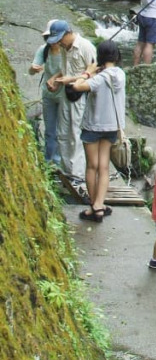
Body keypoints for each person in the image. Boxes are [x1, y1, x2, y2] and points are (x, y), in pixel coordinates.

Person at [60, 38, 125, 223]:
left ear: (100, 56)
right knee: (104, 167)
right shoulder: (120, 74)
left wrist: (87, 73)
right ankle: (100, 204)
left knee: (92, 166)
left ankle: (94, 206)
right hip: (112, 126)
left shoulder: (99, 78)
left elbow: (77, 87)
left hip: (93, 126)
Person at [42, 19, 97, 190]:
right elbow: (65, 70)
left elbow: (94, 73)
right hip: (66, 95)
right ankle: (66, 173)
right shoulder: (66, 49)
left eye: (60, 39)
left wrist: (71, 79)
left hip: (80, 96)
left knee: (75, 134)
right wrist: (55, 79)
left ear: (68, 33)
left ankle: (78, 176)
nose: (58, 43)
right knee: (62, 133)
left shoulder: (86, 47)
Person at [28, 19, 65, 165]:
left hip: (64, 96)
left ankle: (60, 162)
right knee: (50, 130)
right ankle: (49, 161)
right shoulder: (43, 50)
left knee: (63, 131)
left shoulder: (66, 51)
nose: (52, 42)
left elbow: (73, 70)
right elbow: (31, 70)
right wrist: (33, 69)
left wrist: (56, 79)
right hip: (48, 95)